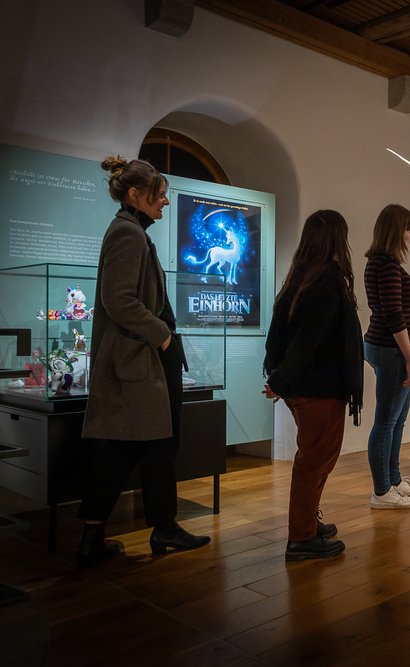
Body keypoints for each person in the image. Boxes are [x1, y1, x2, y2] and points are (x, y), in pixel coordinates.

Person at [76, 156, 210, 567]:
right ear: (136, 194)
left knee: (148, 450)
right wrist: (164, 335)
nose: (165, 203)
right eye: (160, 196)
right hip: (138, 365)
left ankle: (145, 530)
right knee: (141, 449)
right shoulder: (128, 234)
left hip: (141, 363)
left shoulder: (130, 230)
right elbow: (118, 299)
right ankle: (151, 530)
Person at [264, 210, 364, 561]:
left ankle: (308, 521)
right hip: (318, 388)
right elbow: (306, 342)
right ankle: (301, 537)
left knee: (317, 458)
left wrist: (278, 378)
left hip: (307, 387)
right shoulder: (325, 282)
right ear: (337, 240)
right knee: (314, 460)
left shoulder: (301, 278)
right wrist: (279, 380)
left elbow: (280, 336)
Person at [363, 204, 410, 509]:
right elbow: (393, 316)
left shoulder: (384, 263)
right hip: (391, 351)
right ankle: (381, 491)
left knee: (397, 420)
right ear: (397, 230)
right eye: (409, 229)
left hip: (390, 349)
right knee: (386, 422)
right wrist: (409, 358)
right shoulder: (385, 265)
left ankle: (394, 479)